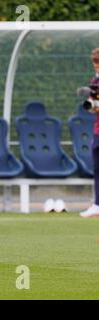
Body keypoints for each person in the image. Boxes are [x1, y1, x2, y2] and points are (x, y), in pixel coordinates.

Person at [81, 48, 99, 218]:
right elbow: (93, 105)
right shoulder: (94, 81)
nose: (97, 67)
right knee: (97, 167)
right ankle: (97, 204)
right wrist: (91, 103)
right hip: (98, 130)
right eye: (95, 63)